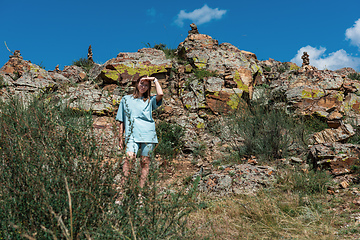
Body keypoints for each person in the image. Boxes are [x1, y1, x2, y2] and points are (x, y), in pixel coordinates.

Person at [116, 75, 163, 188]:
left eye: (146, 85)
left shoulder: (150, 100)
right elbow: (121, 120)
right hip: (131, 135)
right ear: (137, 83)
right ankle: (121, 193)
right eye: (142, 83)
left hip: (148, 134)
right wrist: (120, 138)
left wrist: (155, 80)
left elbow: (160, 94)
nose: (143, 86)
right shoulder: (126, 99)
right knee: (129, 160)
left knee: (145, 163)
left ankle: (140, 194)